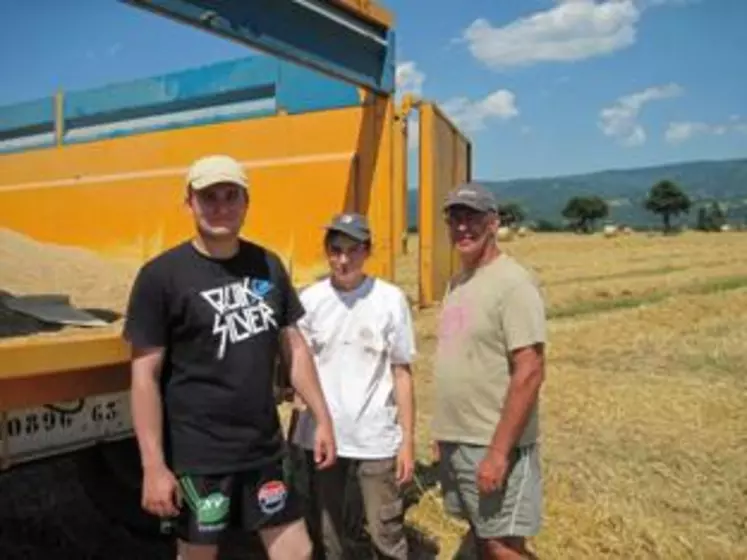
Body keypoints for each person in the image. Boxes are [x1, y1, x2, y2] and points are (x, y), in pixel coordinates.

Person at [123, 154, 337, 560]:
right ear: (190, 202)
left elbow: (293, 347)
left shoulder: (268, 265)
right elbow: (144, 376)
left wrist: (322, 417)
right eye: (209, 197)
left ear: (246, 202)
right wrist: (153, 465)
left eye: (230, 196)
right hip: (199, 456)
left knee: (296, 551)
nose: (221, 207)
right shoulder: (161, 277)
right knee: (199, 556)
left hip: (263, 448)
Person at [290, 212, 417, 560]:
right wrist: (297, 428)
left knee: (385, 530)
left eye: (353, 249)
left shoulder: (390, 300)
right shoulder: (310, 300)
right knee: (330, 532)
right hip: (323, 437)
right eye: (335, 250)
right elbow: (299, 367)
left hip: (375, 436)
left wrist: (407, 441)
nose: (343, 259)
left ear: (367, 251)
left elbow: (402, 372)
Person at [430, 182, 546, 560]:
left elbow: (529, 371)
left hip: (492, 440)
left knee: (501, 544)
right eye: (455, 218)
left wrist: (498, 453)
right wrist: (444, 432)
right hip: (459, 437)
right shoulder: (459, 282)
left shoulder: (513, 283)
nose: (462, 227)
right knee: (483, 535)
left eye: (472, 218)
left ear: (494, 223)